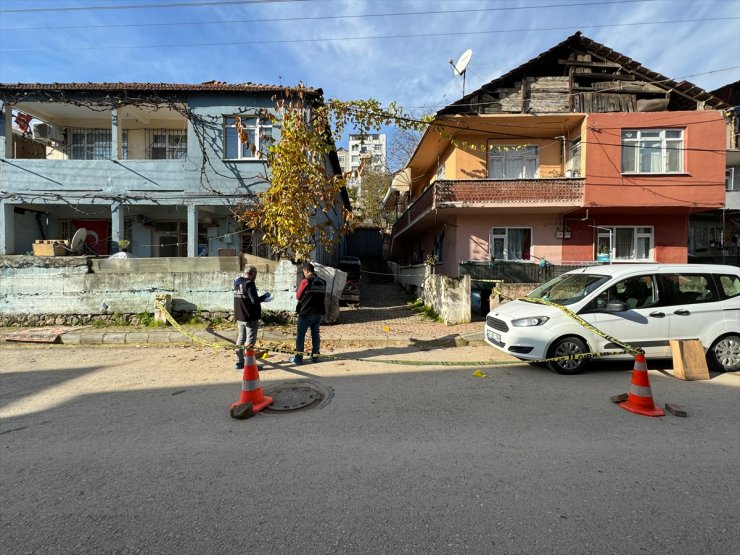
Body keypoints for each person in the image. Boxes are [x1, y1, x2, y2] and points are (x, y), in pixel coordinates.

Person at [233, 266, 270, 370]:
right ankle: (250, 366)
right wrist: (265, 297)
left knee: (240, 339)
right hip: (250, 317)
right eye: (255, 275)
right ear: (253, 274)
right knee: (250, 342)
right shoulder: (249, 283)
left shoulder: (237, 282)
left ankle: (240, 362)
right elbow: (254, 300)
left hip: (240, 316)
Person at [290, 262, 326, 365]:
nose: (304, 274)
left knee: (301, 335)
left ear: (306, 271)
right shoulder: (323, 282)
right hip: (318, 312)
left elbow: (298, 295)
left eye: (304, 272)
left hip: (306, 312)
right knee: (315, 334)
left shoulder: (306, 281)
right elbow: (323, 296)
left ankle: (298, 359)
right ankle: (315, 357)